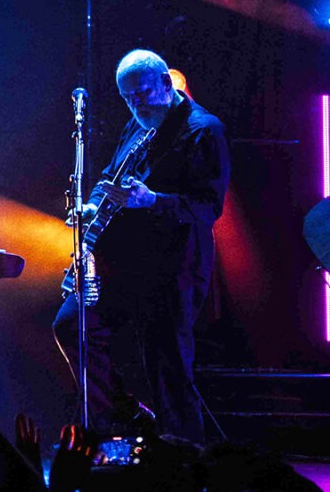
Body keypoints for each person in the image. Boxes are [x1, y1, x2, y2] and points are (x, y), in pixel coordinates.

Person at [53, 49, 228, 438]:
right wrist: (92, 206)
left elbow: (208, 207)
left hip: (173, 265)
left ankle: (185, 456)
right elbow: (110, 176)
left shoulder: (203, 130)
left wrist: (152, 200)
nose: (136, 105)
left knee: (168, 369)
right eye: (127, 98)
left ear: (165, 83)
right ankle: (124, 414)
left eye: (142, 94)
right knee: (73, 326)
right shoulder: (139, 123)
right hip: (124, 261)